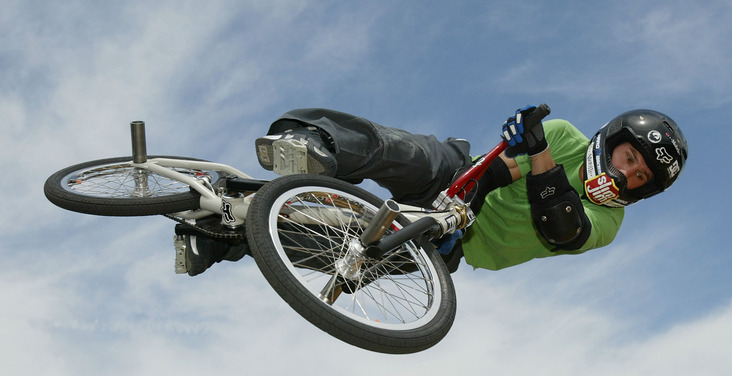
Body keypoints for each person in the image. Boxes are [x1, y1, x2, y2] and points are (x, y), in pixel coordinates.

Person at [179, 105, 688, 275]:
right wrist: (460, 202)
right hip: (460, 181)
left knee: (354, 262)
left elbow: (562, 229)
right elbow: (491, 175)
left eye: (641, 178)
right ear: (613, 142)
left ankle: (221, 237)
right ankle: (315, 143)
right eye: (629, 160)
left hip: (461, 245)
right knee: (407, 153)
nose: (627, 176)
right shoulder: (565, 138)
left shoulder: (610, 223)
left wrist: (540, 158)